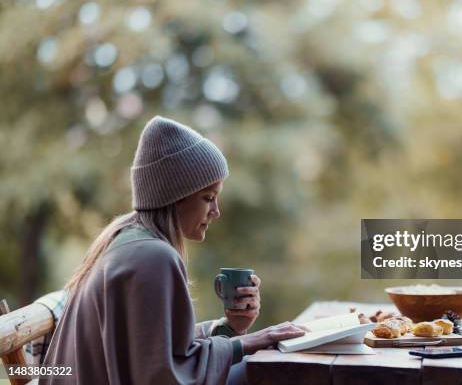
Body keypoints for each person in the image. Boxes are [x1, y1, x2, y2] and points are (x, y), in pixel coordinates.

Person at [40, 116, 306, 384]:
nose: (216, 211)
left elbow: (155, 350)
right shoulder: (152, 256)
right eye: (208, 198)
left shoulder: (124, 240)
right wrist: (251, 342)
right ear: (175, 198)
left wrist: (229, 328)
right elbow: (163, 374)